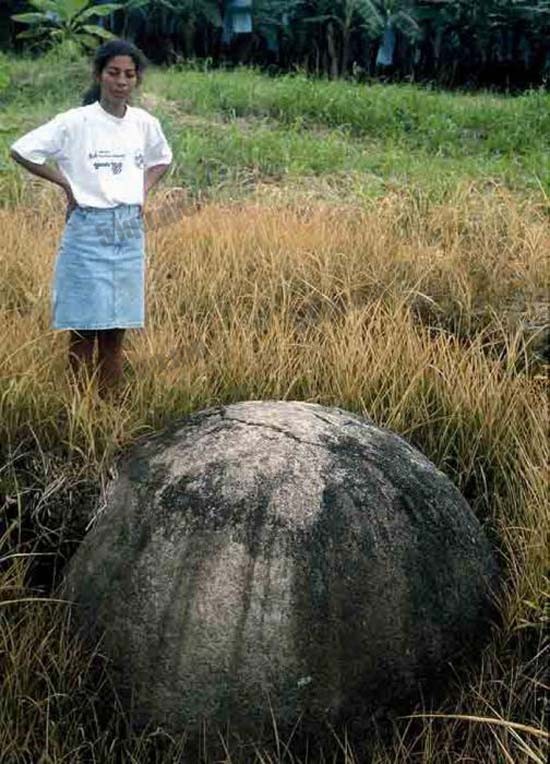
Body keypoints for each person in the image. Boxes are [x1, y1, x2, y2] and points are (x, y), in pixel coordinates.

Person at [10, 39, 173, 394]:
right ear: (99, 75)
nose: (121, 81)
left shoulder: (144, 123)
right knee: (83, 327)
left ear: (136, 80)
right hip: (88, 229)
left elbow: (162, 159)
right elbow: (21, 150)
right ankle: (77, 409)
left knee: (116, 328)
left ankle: (109, 408)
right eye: (113, 72)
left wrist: (142, 190)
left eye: (129, 74)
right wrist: (66, 185)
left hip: (128, 230)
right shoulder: (75, 122)